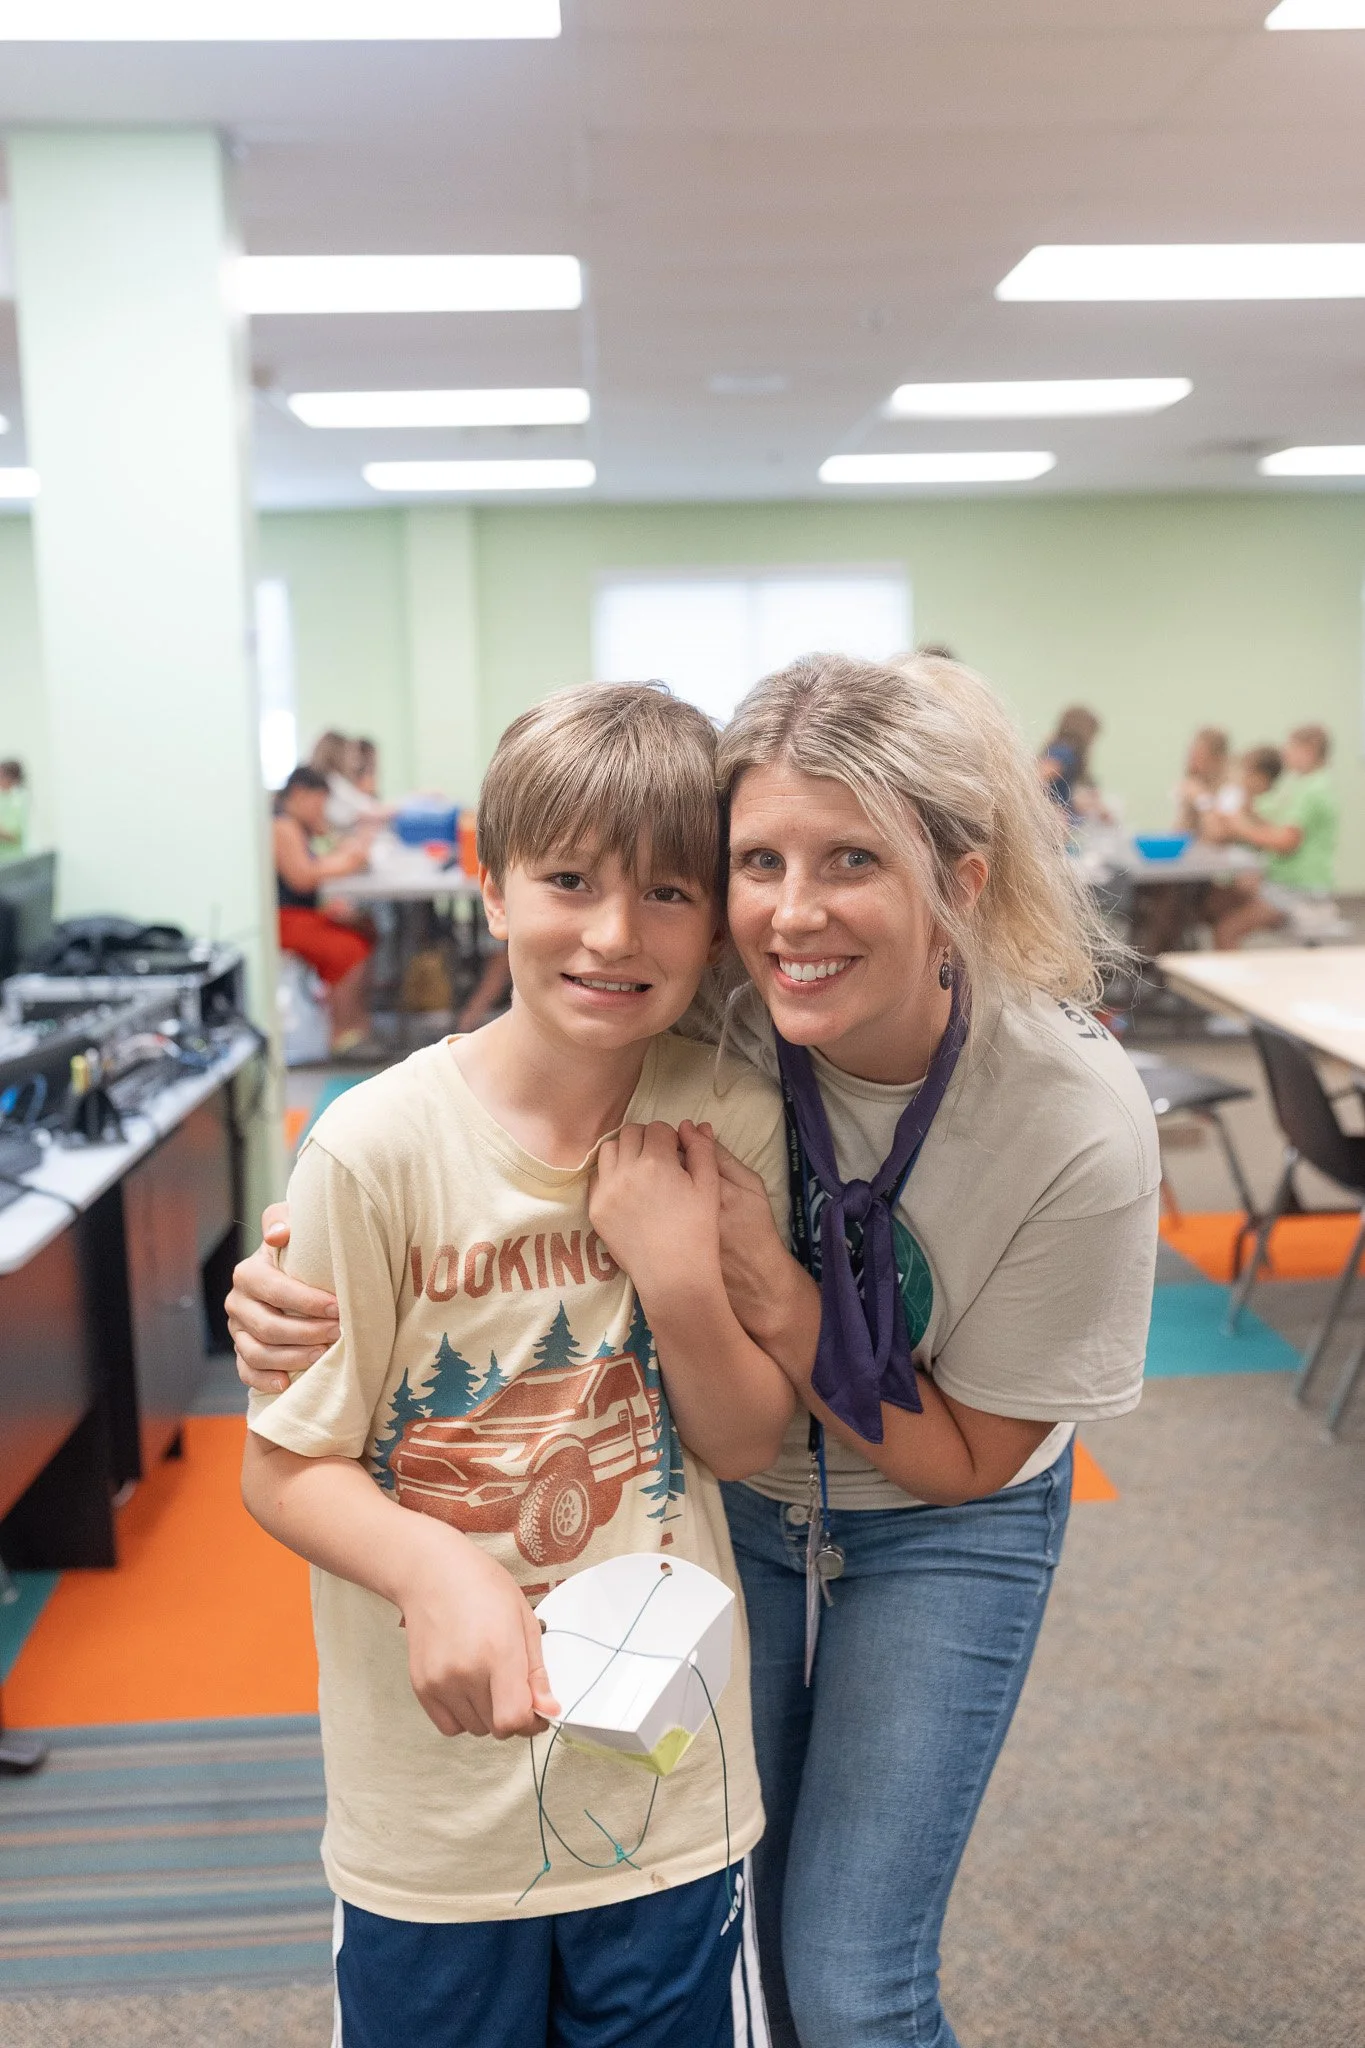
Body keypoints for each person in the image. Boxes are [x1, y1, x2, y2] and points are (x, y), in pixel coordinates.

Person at [231, 651, 1159, 2048]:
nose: (791, 916)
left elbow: (957, 1455)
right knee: (734, 1944)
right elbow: (490, 1089)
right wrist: (296, 1260)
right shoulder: (699, 999)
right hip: (719, 1519)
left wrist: (733, 1287)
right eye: (754, 866)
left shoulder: (1057, 1116)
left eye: (851, 862)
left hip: (930, 1504)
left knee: (841, 1984)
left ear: (959, 884)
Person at [245, 684, 789, 2046]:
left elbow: (743, 1443)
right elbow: (284, 1467)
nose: (614, 934)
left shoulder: (724, 1116)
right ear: (489, 885)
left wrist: (675, 1279)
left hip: (667, 1790)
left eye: (669, 893)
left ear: (714, 920)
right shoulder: (373, 1148)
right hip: (431, 1818)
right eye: (568, 882)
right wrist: (436, 1565)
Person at [274, 765, 377, 1057]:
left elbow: (322, 855)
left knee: (364, 929)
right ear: (298, 794)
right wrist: (350, 860)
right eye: (318, 802)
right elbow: (302, 878)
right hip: (283, 920)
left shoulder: (298, 825)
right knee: (347, 949)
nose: (322, 810)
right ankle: (342, 1035)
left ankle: (357, 1023)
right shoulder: (282, 826)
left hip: (300, 914)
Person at [1204, 724, 1338, 949]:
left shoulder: (1313, 790)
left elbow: (1286, 841)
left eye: (1292, 748)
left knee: (1226, 931)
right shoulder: (1304, 785)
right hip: (1282, 884)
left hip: (1297, 891)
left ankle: (1232, 983)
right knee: (1214, 904)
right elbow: (1276, 826)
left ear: (1311, 749)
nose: (1286, 754)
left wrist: (1240, 828)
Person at [1038, 705, 1102, 824]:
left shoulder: (1062, 751)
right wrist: (1051, 811)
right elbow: (1036, 779)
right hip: (1052, 822)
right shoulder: (1064, 752)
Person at [1173, 726, 1235, 837]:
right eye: (1191, 755)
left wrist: (1200, 798)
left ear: (1217, 759)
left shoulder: (1232, 790)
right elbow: (1178, 833)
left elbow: (1218, 835)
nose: (1192, 763)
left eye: (1199, 756)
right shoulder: (1192, 785)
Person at [0, 758, 28, 859]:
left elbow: (14, 836)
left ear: (12, 778)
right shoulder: (2, 797)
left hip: (13, 859)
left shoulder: (20, 800)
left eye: (1, 776)